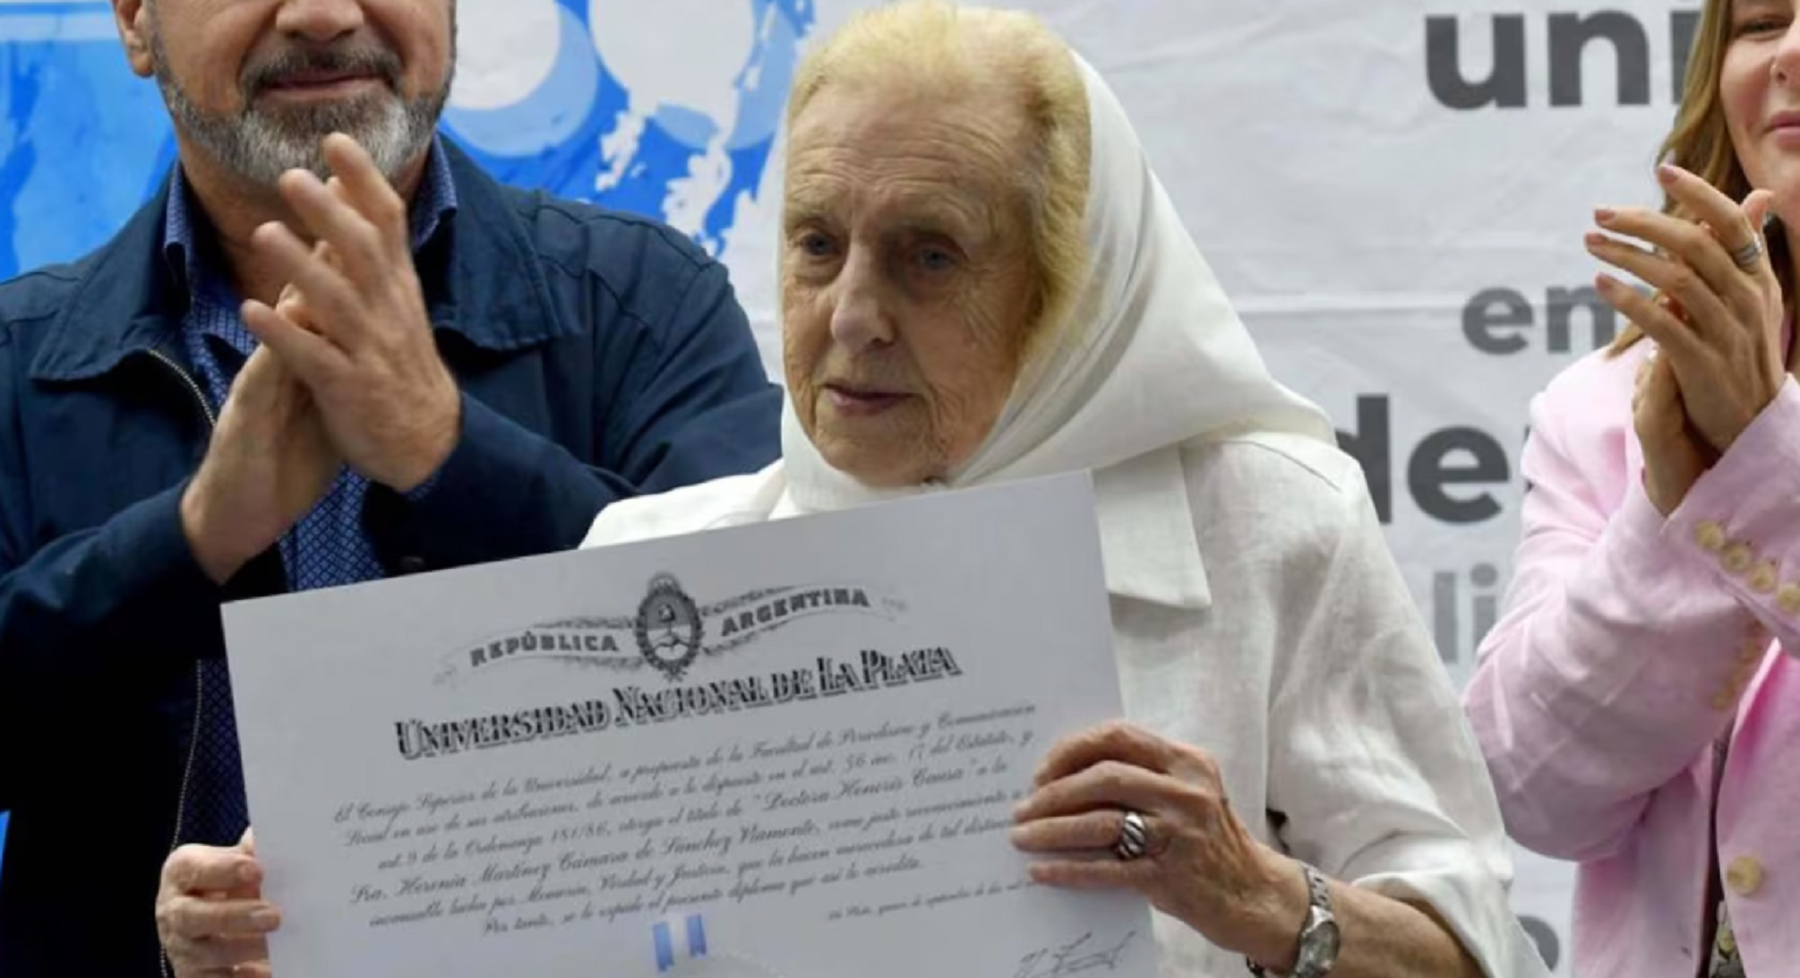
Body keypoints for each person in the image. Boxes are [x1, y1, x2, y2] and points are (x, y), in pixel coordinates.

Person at [573, 5, 1540, 976]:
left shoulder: (1262, 526)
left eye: (931, 256)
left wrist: (1254, 896)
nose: (853, 314)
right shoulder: (654, 571)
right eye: (818, 244)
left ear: (1070, 287)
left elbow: (1474, 954)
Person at [0, 0, 782, 974]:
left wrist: (446, 454)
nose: (324, 15)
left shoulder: (647, 308)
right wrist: (193, 537)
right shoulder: (16, 362)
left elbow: (769, 705)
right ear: (133, 20)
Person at [1464, 2, 1800, 976]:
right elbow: (1533, 788)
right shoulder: (1607, 404)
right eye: (1761, 21)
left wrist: (1755, 458)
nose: (1791, 53)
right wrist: (1672, 499)